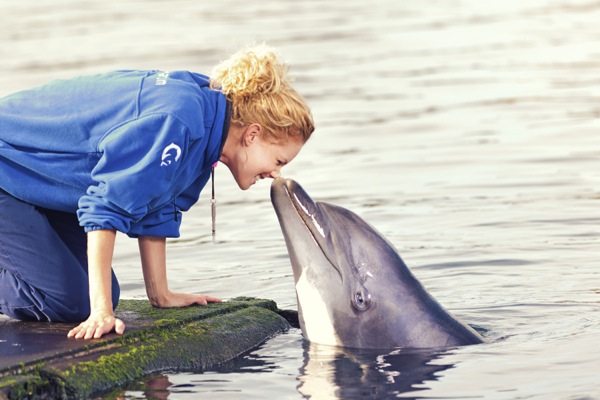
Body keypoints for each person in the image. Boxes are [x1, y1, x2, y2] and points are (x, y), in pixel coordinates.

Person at [0, 44, 314, 340]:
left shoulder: (208, 122)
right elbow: (105, 210)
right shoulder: (178, 120)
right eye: (278, 160)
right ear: (253, 134)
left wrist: (160, 294)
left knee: (105, 289)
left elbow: (158, 207)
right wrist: (101, 313)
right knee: (72, 302)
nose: (276, 173)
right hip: (7, 170)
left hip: (32, 183)